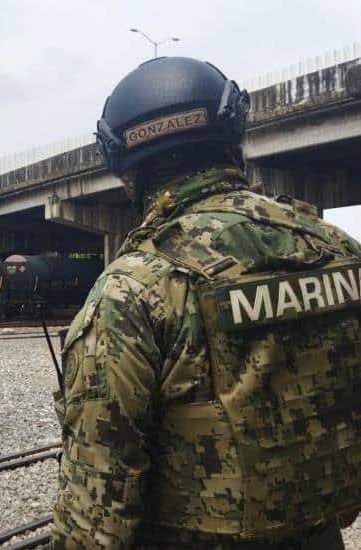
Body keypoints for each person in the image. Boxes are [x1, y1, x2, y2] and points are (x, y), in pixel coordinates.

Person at [51, 56, 361, 549]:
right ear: (232, 135)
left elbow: (98, 510)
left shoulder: (134, 289)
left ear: (126, 168)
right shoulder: (339, 251)